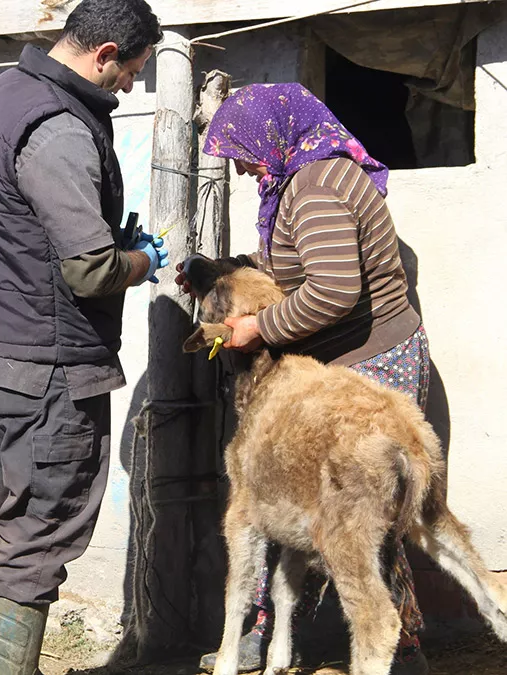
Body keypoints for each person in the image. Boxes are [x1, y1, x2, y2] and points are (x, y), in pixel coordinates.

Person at [176, 83, 430, 675]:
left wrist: (255, 328)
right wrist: (219, 275)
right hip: (338, 360)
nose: (240, 166)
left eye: (241, 150)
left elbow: (334, 289)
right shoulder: (302, 176)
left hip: (365, 364)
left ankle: (400, 647)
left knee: (367, 516)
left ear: (272, 133)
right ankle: (272, 634)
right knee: (300, 502)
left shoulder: (314, 188)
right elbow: (296, 264)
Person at [0, 2, 164, 673]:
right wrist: (142, 262)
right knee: (38, 534)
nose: (128, 86)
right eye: (129, 71)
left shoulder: (5, 91)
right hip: (45, 368)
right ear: (103, 52)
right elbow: (91, 268)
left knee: (11, 523)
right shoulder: (60, 131)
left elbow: (33, 232)